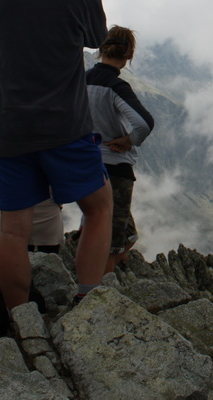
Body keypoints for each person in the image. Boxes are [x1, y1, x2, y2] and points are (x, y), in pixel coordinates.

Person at [0, 0, 113, 310]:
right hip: (65, 127)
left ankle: (20, 322)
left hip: (8, 127)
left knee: (14, 230)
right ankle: (87, 303)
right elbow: (95, 38)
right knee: (99, 207)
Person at [85, 25, 155, 273]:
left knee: (94, 225)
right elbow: (144, 124)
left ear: (101, 49)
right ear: (129, 55)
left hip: (85, 165)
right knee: (117, 237)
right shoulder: (116, 87)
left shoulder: (81, 80)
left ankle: (86, 280)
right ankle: (98, 288)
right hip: (115, 167)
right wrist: (128, 140)